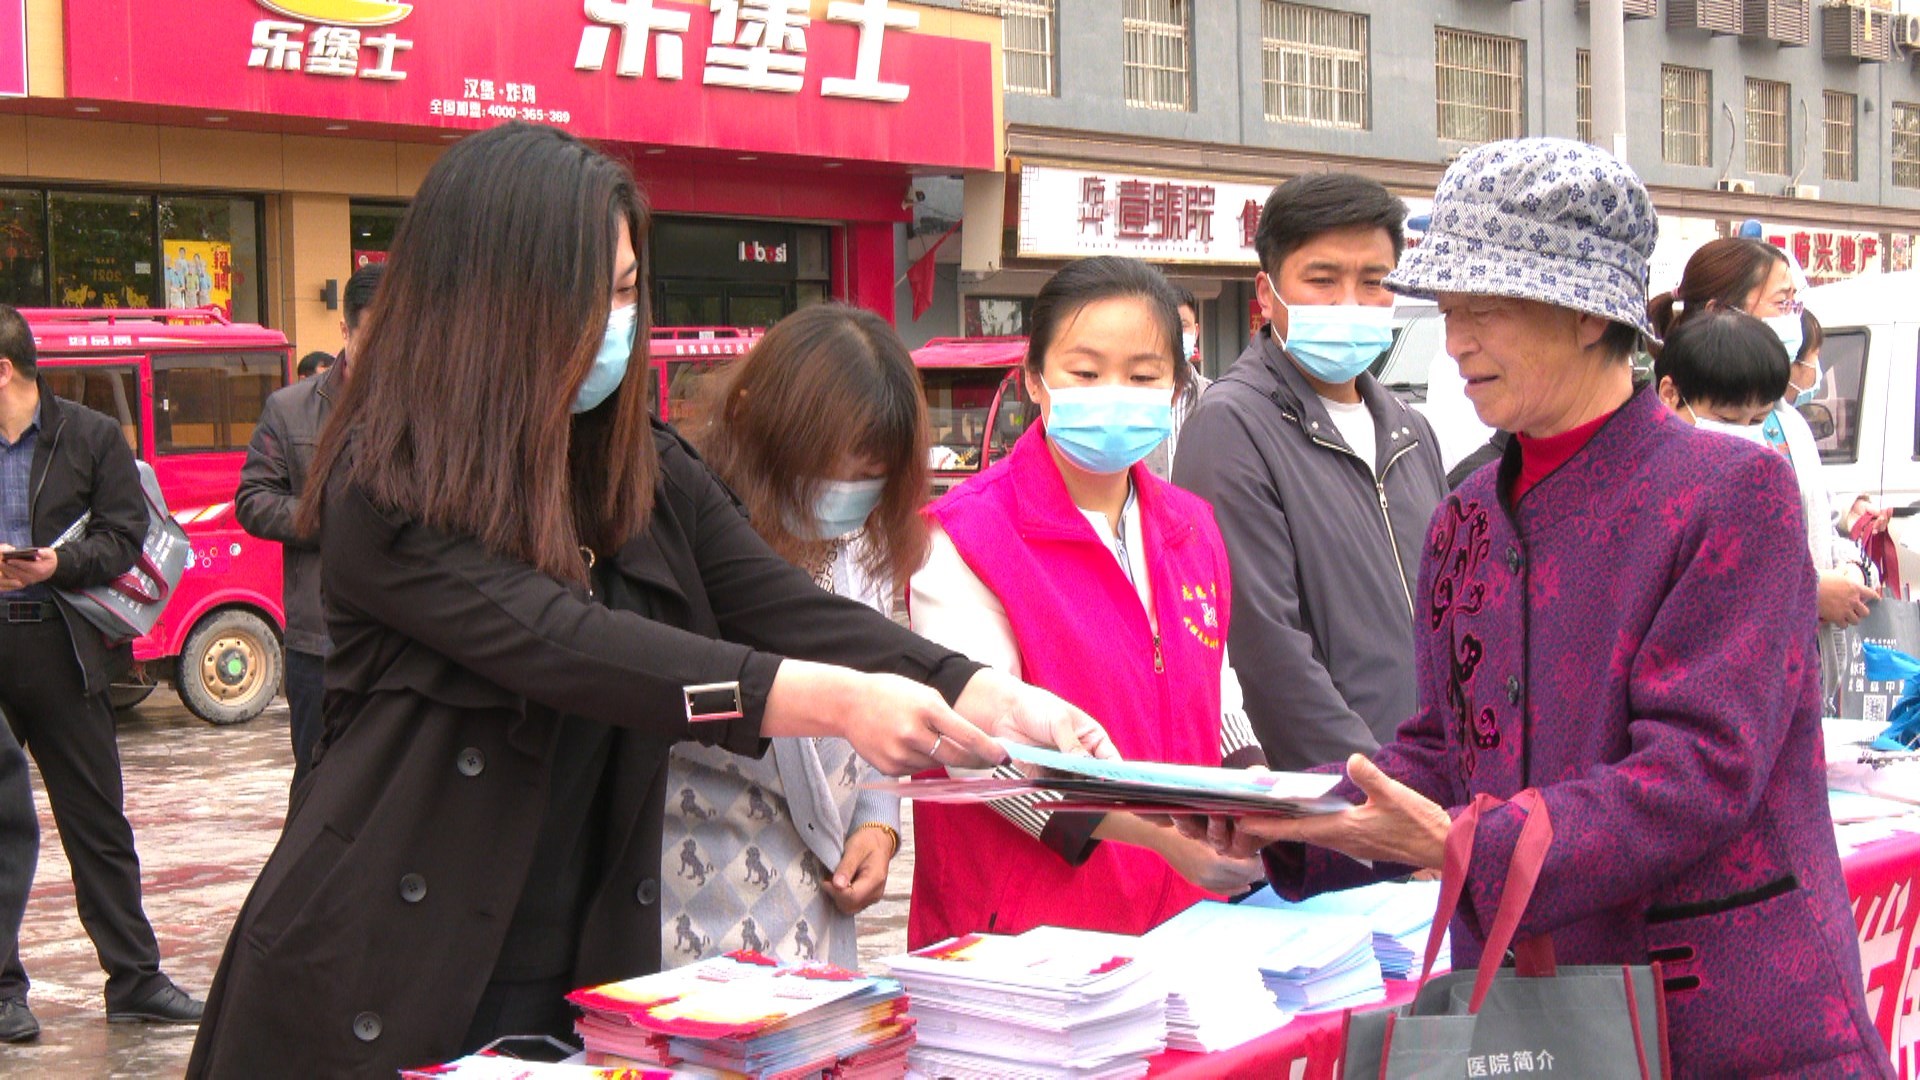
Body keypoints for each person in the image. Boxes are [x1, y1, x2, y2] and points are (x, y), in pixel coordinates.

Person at [186, 123, 1110, 1078]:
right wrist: (835, 701)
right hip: (379, 963)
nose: (613, 321)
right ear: (485, 306)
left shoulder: (644, 468)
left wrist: (980, 691)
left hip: (579, 961)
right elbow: (575, 648)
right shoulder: (388, 485)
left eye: (627, 289)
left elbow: (784, 605)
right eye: (586, 295)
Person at [1186, 138, 1889, 1076]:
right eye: (1448, 312)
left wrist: (1468, 845)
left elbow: (1699, 768)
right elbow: (1447, 748)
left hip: (1718, 1013)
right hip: (1530, 1019)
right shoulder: (1467, 517)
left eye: (1486, 310)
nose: (1456, 342)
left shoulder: (1729, 494)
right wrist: (1292, 818)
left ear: (1590, 313)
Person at [907, 256, 1268, 949]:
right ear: (1034, 379)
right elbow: (978, 755)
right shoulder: (964, 536)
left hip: (1186, 925)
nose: (1114, 395)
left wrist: (1254, 791)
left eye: (1143, 376)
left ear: (1176, 387)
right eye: (1085, 372)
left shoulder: (1192, 526)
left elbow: (1216, 689)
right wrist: (1162, 839)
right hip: (1026, 942)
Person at [661, 303, 931, 969]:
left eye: (868, 476)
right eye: (825, 468)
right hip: (688, 912)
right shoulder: (681, 539)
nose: (845, 494)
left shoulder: (856, 545)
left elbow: (880, 686)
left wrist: (878, 822)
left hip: (820, 920)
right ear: (752, 419)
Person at [1173, 174, 1446, 770]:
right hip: (1338, 800)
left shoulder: (1411, 431)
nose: (1350, 302)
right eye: (1322, 280)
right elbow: (1265, 651)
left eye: (1373, 281)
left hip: (1436, 792)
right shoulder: (1230, 427)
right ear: (1267, 294)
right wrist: (1379, 786)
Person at [0, 304, 204, 1039]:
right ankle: (3, 992)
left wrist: (56, 564)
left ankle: (135, 979)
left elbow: (125, 538)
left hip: (63, 649)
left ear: (3, 370)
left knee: (97, 824)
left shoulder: (88, 436)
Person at [1649, 237, 1874, 631]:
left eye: (1795, 304)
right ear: (1721, 311)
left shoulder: (1791, 423)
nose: (1793, 319)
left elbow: (1822, 529)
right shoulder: (1656, 454)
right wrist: (1811, 593)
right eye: (1781, 303)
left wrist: (1853, 567)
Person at [238, 263, 385, 791]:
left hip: (405, 633)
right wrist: (333, 518)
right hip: (319, 638)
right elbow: (253, 501)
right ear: (346, 330)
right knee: (318, 784)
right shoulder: (290, 409)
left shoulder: (428, 407)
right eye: (375, 335)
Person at [1143, 284, 1209, 480]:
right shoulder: (1137, 395)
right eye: (1169, 325)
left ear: (1196, 332)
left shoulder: (1213, 395)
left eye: (1183, 325)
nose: (1177, 333)